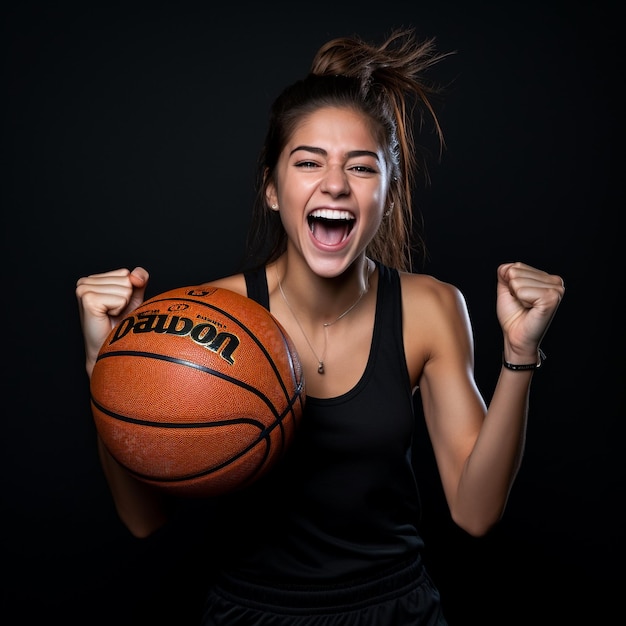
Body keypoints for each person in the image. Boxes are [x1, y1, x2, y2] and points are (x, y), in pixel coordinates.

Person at [75, 27, 565, 626]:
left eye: (361, 168)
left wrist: (519, 355)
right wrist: (106, 362)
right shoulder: (201, 317)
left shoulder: (431, 309)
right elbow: (143, 520)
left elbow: (475, 512)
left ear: (388, 190)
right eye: (308, 162)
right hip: (252, 614)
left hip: (397, 611)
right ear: (272, 189)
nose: (334, 184)